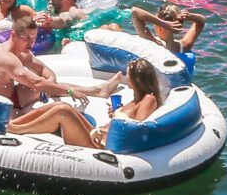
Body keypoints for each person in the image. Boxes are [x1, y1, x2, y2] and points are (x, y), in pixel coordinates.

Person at [10, 56, 163, 148]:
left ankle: (17, 130)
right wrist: (115, 115)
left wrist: (114, 124)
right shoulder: (135, 99)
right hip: (96, 135)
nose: (126, 77)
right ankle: (13, 124)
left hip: (101, 145)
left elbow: (137, 129)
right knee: (61, 106)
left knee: (63, 112)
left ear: (137, 79)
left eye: (128, 74)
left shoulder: (148, 99)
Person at [0, 12, 71, 113]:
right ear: (13, 35)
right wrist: (69, 91)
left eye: (33, 38)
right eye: (27, 37)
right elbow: (36, 83)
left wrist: (51, 81)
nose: (31, 43)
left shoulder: (22, 51)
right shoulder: (5, 57)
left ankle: (80, 91)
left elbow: (43, 70)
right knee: (52, 97)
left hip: (11, 96)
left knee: (58, 87)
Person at [129, 0, 204, 56]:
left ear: (158, 27)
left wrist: (164, 24)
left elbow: (135, 12)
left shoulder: (155, 45)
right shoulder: (183, 46)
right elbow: (201, 22)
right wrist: (188, 16)